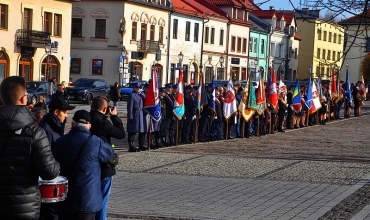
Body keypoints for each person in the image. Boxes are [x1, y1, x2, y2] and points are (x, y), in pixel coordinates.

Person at [0, 76, 60, 220]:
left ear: (1, 98)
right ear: (23, 99)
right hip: (24, 207)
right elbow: (49, 172)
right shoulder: (35, 133)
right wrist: (57, 165)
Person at [55, 110, 114, 220]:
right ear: (89, 126)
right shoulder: (96, 142)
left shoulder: (60, 141)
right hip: (89, 200)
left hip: (66, 199)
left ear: (72, 124)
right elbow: (110, 155)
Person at [38, 97, 75, 220]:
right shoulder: (46, 128)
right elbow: (44, 155)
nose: (66, 115)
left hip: (54, 176)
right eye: (64, 112)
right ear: (56, 112)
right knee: (50, 214)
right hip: (48, 179)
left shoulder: (56, 125)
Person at [90, 96, 124, 220]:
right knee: (103, 197)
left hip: (88, 165)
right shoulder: (103, 123)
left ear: (91, 106)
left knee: (90, 196)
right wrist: (114, 116)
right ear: (105, 109)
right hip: (104, 165)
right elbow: (121, 134)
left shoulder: (87, 119)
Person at [127, 83, 147, 152]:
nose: (138, 89)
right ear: (134, 88)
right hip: (135, 113)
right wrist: (130, 116)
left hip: (141, 114)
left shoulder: (140, 95)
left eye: (139, 88)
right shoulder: (131, 96)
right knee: (132, 131)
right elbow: (130, 107)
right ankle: (131, 146)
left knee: (141, 130)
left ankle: (141, 145)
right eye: (136, 87)